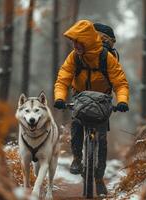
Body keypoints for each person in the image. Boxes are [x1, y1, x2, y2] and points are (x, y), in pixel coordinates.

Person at [53, 20, 129, 196]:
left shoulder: (106, 57)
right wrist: (59, 98)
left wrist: (123, 100)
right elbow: (63, 78)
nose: (75, 45)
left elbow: (120, 82)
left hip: (102, 102)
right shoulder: (74, 57)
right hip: (80, 97)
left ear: (87, 41)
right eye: (73, 42)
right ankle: (77, 159)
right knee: (77, 127)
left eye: (78, 42)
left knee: (101, 141)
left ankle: (98, 179)